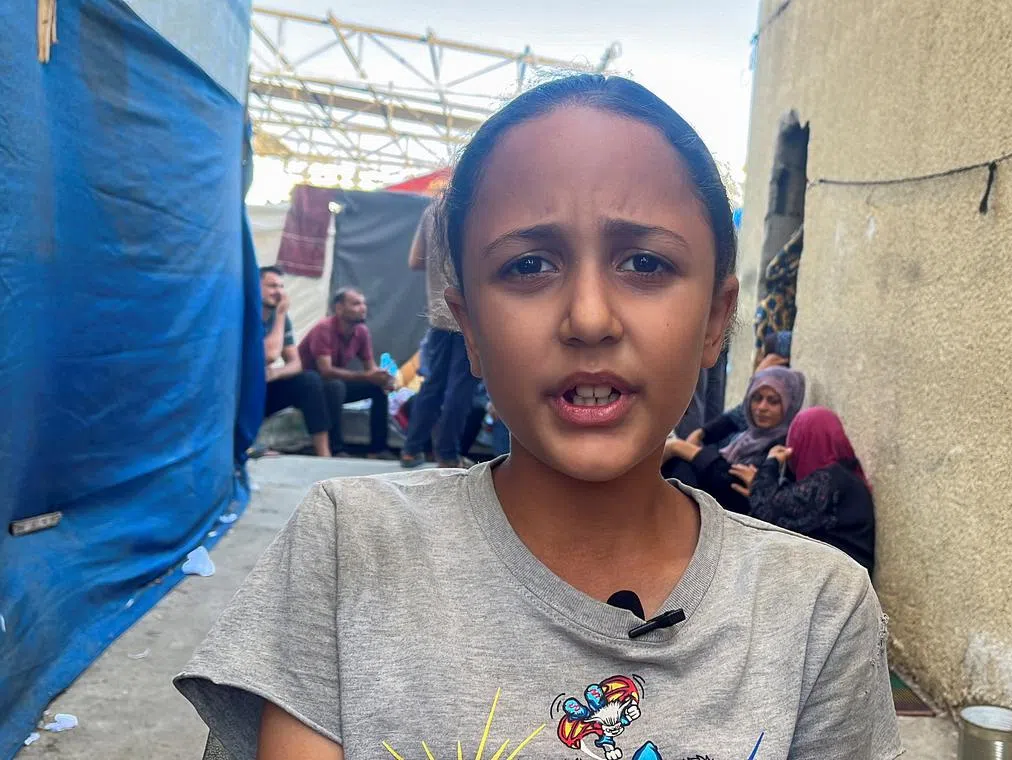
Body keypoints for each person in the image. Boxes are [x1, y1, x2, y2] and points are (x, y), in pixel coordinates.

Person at [176, 75, 901, 760]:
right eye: (528, 266)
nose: (589, 318)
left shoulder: (816, 609)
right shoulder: (351, 546)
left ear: (716, 319)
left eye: (645, 264)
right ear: (471, 329)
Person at [733, 407, 877, 574]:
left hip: (838, 588)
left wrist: (770, 466)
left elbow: (769, 512)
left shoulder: (831, 480)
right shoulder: (844, 479)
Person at [400, 200, 480, 469]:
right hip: (467, 311)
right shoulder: (473, 202)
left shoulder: (432, 210)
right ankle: (447, 454)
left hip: (437, 314)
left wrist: (438, 268)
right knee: (462, 387)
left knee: (432, 384)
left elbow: (414, 261)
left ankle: (411, 450)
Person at [662, 365, 804, 513]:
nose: (762, 407)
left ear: (789, 405)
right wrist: (698, 436)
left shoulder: (782, 448)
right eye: (756, 398)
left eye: (773, 401)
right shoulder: (746, 436)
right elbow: (726, 422)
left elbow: (732, 484)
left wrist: (679, 448)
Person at [297, 288, 392, 457]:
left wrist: (383, 378)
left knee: (377, 388)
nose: (363, 308)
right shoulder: (323, 328)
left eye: (363, 303)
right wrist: (367, 376)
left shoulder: (361, 331)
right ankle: (336, 448)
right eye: (356, 304)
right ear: (339, 308)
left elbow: (370, 368)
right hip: (310, 389)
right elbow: (325, 371)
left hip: (334, 383)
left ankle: (377, 449)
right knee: (335, 386)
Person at [259, 267, 332, 457]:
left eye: (282, 286)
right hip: (240, 389)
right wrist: (281, 314)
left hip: (263, 387)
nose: (279, 292)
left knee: (309, 380)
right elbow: (269, 355)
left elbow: (295, 363)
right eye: (272, 286)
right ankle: (250, 444)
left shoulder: (280, 318)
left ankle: (324, 452)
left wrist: (276, 373)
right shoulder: (247, 314)